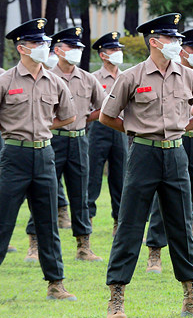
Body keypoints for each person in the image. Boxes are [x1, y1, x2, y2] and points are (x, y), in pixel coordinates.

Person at [100, 13, 193, 318]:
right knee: (131, 223)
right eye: (172, 39)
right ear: (154, 42)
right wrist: (136, 131)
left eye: (177, 39)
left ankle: (191, 295)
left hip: (176, 154)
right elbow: (107, 116)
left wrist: (181, 129)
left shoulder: (189, 76)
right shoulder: (131, 77)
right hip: (143, 154)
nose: (178, 44)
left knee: (181, 224)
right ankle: (116, 297)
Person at [0, 18, 78, 300]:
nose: (44, 47)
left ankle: (56, 283)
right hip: (14, 155)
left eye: (44, 42)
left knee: (48, 222)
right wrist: (13, 133)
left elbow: (69, 116)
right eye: (37, 43)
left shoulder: (54, 81)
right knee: (3, 220)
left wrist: (43, 129)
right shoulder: (6, 81)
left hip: (45, 154)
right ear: (22, 48)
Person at [24, 27, 104, 262]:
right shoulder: (45, 76)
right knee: (42, 192)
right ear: (57, 50)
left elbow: (103, 108)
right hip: (52, 139)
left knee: (80, 193)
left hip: (79, 140)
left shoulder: (87, 79)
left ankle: (83, 246)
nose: (77, 51)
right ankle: (34, 243)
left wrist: (81, 119)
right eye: (72, 47)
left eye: (79, 47)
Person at [144, 27, 193, 273]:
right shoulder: (171, 74)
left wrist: (185, 126)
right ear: (183, 51)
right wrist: (177, 130)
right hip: (174, 142)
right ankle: (155, 251)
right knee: (162, 196)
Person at [87, 32, 128, 239]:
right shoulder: (93, 78)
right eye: (113, 50)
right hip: (98, 129)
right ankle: (88, 220)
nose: (118, 53)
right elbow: (87, 108)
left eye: (119, 49)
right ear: (103, 55)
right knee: (92, 176)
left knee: (120, 177)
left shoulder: (126, 76)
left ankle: (118, 222)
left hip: (120, 130)